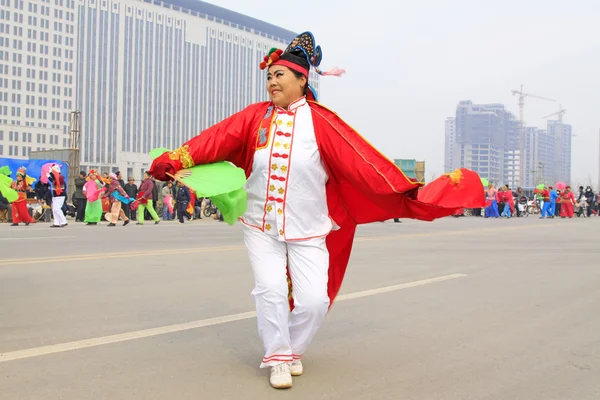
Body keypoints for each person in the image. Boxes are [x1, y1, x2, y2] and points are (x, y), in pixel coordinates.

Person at [149, 31, 482, 389]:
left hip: (308, 228)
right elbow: (213, 140)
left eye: (279, 75)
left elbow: (363, 163)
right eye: (269, 76)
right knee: (270, 288)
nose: (271, 82)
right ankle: (278, 357)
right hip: (261, 224)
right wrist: (174, 159)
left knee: (314, 301)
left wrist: (408, 191)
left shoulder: (322, 122)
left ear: (301, 79)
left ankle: (292, 350)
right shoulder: (254, 118)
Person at [47, 163, 67, 228]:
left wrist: (50, 173)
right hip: (55, 195)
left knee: (57, 209)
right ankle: (56, 222)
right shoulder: (56, 177)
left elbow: (56, 178)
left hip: (60, 195)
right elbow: (54, 181)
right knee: (54, 209)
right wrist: (49, 177)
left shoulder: (60, 177)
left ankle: (64, 221)